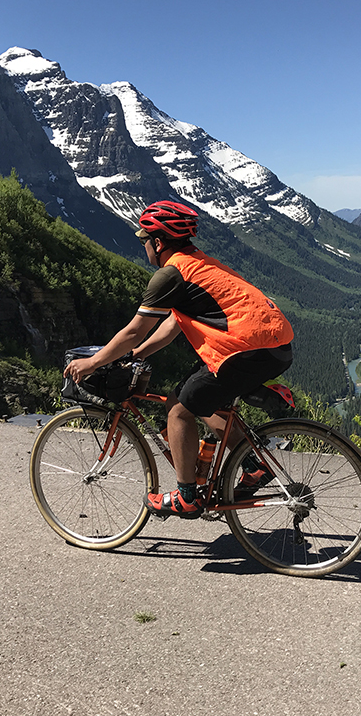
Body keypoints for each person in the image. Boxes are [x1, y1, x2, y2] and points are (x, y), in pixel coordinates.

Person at [64, 200, 294, 518]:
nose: (144, 246)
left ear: (157, 242)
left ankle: (186, 496)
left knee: (178, 409)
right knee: (203, 400)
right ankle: (254, 466)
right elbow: (173, 324)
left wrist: (93, 363)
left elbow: (134, 330)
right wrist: (136, 355)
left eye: (144, 240)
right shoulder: (197, 263)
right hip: (274, 345)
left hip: (246, 351)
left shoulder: (170, 275)